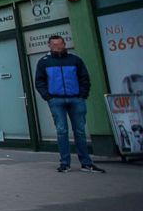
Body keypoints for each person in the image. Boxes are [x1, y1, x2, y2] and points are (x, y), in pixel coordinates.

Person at [34, 35, 105, 173]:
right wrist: (48, 97)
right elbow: (40, 81)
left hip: (76, 99)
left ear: (64, 44)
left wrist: (82, 95)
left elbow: (84, 78)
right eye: (54, 45)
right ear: (49, 46)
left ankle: (86, 163)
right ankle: (65, 163)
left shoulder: (74, 60)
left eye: (60, 44)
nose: (58, 47)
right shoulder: (44, 62)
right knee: (62, 131)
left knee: (80, 131)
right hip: (56, 100)